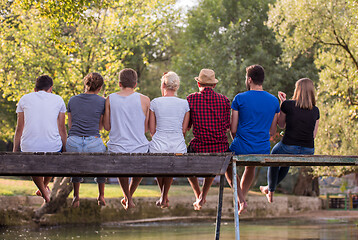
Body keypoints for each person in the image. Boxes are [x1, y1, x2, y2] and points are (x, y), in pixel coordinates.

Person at [228, 65, 280, 214]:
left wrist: (238, 141)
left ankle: (241, 200)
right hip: (263, 148)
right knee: (250, 166)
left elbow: (233, 129)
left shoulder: (239, 98)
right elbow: (272, 131)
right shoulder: (274, 101)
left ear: (249, 79)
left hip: (241, 145)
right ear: (262, 80)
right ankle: (241, 200)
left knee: (227, 165)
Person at [260, 78, 320, 203]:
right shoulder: (316, 110)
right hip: (308, 150)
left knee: (274, 156)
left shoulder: (288, 105)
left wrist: (283, 104)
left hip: (288, 146)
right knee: (286, 162)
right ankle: (268, 188)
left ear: (297, 90)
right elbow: (313, 135)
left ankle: (270, 191)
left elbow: (281, 125)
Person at [13, 75, 67, 203]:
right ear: (51, 89)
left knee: (33, 158)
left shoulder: (24, 99)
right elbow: (62, 129)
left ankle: (43, 190)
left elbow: (19, 128)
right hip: (53, 147)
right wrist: (65, 148)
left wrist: (15, 149)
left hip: (28, 147)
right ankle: (44, 190)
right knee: (52, 155)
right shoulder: (58, 100)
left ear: (35, 89)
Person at [103, 68, 150, 210]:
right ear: (135, 84)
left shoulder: (110, 98)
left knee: (120, 162)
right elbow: (146, 129)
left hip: (117, 147)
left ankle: (128, 197)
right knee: (141, 161)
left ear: (119, 83)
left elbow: (106, 127)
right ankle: (129, 196)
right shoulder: (145, 100)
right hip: (139, 148)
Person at [186, 68, 231, 211]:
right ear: (214, 85)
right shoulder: (224, 100)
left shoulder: (191, 99)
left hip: (199, 146)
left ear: (199, 84)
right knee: (215, 155)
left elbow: (187, 126)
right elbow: (227, 127)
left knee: (186, 165)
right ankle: (202, 195)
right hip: (221, 148)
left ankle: (198, 194)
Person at [149, 72, 190, 208]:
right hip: (178, 147)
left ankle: (164, 196)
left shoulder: (155, 102)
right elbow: (184, 130)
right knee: (171, 160)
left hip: (158, 146)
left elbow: (152, 130)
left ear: (163, 85)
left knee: (160, 161)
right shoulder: (184, 104)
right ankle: (164, 196)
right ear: (177, 86)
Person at [66, 72, 107, 208]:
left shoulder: (72, 100)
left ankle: (76, 196)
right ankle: (101, 194)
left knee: (75, 162)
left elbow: (70, 126)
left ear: (85, 84)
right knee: (102, 160)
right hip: (93, 142)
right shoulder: (103, 101)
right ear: (100, 87)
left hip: (73, 142)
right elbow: (101, 127)